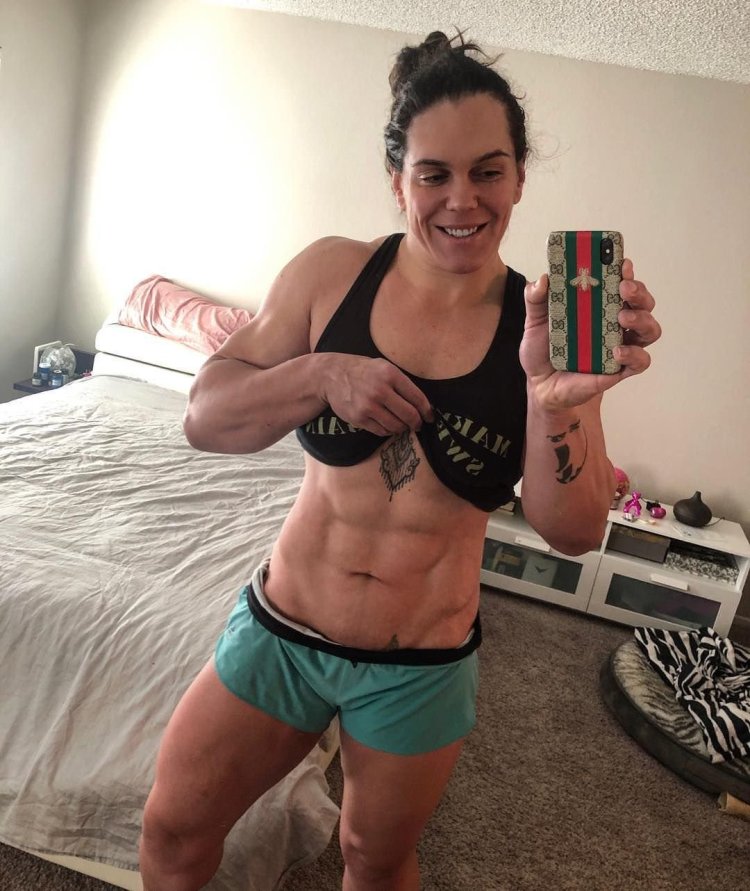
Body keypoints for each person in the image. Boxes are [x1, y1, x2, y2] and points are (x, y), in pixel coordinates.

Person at [139, 30, 661, 891]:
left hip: (418, 661)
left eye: (488, 171)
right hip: (284, 627)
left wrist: (557, 400)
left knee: (373, 860)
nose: (462, 199)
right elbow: (205, 418)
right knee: (171, 826)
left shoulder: (543, 333)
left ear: (520, 179)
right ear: (397, 181)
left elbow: (573, 532)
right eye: (433, 174)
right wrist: (321, 374)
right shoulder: (329, 275)